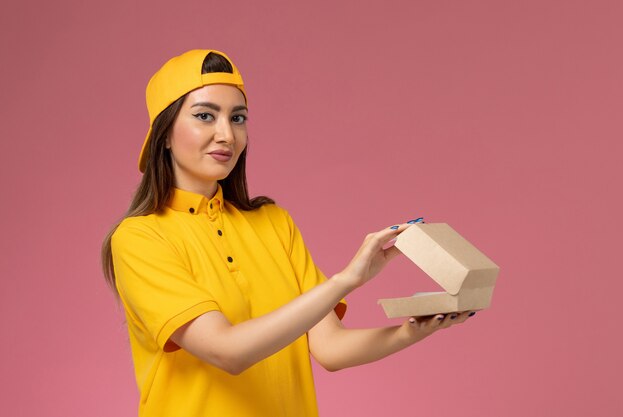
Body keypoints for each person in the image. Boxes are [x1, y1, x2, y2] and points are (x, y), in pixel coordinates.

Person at [101, 49, 474, 417]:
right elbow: (227, 351)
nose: (226, 134)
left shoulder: (273, 223)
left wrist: (414, 330)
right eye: (204, 116)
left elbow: (330, 348)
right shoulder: (140, 239)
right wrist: (346, 281)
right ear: (163, 135)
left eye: (238, 117)